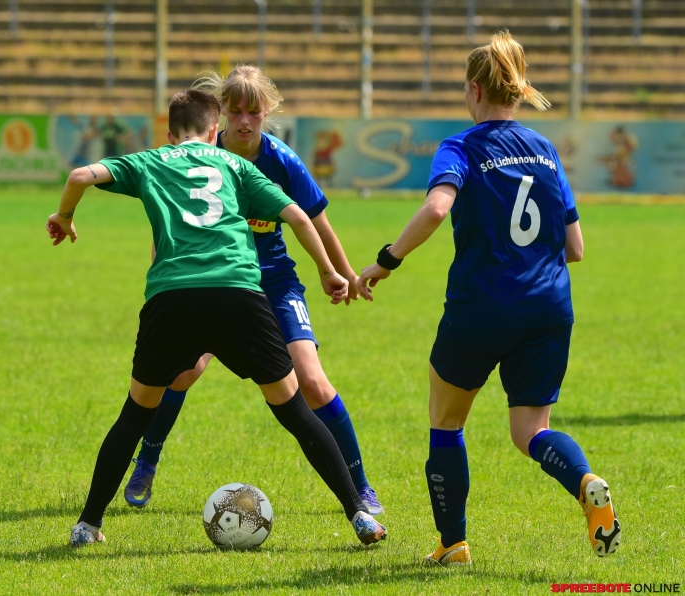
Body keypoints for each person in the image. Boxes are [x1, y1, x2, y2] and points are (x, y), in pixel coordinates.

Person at [46, 89, 387, 547]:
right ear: (214, 130)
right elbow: (298, 217)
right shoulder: (236, 165)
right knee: (293, 409)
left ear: (170, 134)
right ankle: (359, 515)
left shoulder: (152, 160)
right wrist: (327, 271)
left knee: (135, 414)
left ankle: (87, 525)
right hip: (237, 295)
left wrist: (64, 216)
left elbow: (79, 175)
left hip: (172, 298)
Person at [356, 30, 620, 566]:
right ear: (516, 91)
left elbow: (436, 208)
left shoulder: (460, 147)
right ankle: (584, 480)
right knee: (532, 431)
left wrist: (386, 261)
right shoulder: (546, 150)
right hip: (548, 308)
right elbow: (575, 248)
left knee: (447, 422)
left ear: (475, 90)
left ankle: (453, 544)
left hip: (481, 307)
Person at [123, 65, 384, 515]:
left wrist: (343, 274)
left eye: (254, 112)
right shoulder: (201, 154)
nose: (245, 121)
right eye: (236, 111)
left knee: (313, 382)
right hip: (215, 279)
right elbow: (170, 225)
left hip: (274, 282)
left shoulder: (282, 161)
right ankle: (147, 459)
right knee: (182, 373)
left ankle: (360, 486)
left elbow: (317, 222)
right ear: (220, 112)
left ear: (268, 111)